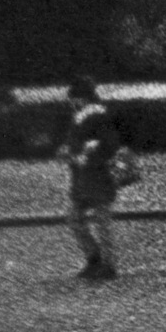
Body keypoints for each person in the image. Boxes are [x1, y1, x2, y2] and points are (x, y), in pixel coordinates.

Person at [59, 77, 131, 281]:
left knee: (99, 222)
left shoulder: (97, 115)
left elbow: (109, 145)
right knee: (76, 219)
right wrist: (70, 152)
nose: (72, 102)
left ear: (83, 98)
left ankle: (107, 264)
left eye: (75, 98)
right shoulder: (82, 116)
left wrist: (85, 153)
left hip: (98, 177)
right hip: (82, 178)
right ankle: (95, 259)